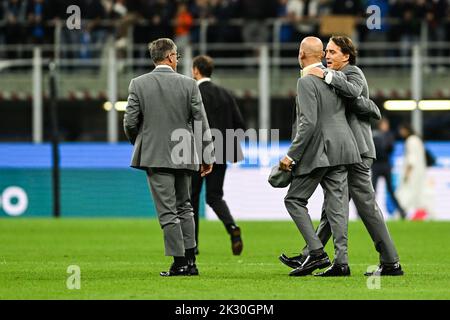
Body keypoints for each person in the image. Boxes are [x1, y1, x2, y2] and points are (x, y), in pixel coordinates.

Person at [281, 35, 404, 276]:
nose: (328, 57)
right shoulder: (329, 77)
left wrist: (326, 76)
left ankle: (390, 261)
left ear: (346, 55)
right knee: (333, 207)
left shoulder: (352, 72)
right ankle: (312, 254)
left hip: (357, 150)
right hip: (343, 151)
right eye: (326, 52)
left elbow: (359, 98)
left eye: (333, 52)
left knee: (365, 206)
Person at [124, 38, 215, 277]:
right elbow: (200, 122)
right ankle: (191, 261)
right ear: (171, 57)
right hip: (184, 152)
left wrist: (143, 141)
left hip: (155, 155)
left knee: (167, 211)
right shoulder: (189, 85)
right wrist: (206, 154)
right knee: (185, 207)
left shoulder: (138, 84)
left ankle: (179, 263)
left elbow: (130, 122)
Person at [279, 36, 361, 277]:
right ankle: (342, 262)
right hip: (343, 149)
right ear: (322, 55)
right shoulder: (336, 77)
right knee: (337, 208)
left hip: (318, 152)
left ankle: (316, 253)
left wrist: (291, 156)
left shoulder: (305, 82)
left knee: (294, 200)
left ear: (301, 55)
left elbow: (309, 123)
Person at [191, 55, 246, 256]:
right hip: (222, 152)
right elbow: (240, 124)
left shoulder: (192, 92)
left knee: (191, 198)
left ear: (196, 70)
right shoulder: (225, 94)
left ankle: (192, 244)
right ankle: (232, 228)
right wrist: (228, 148)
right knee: (215, 197)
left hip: (197, 154)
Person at [372, 118, 407, 219]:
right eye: (384, 124)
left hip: (386, 165)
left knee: (391, 190)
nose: (385, 126)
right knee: (373, 190)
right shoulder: (375, 135)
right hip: (376, 165)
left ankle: (401, 211)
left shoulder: (389, 135)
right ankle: (367, 213)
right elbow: (375, 150)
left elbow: (390, 148)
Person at [396, 123, 429, 220]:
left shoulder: (410, 141)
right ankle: (420, 215)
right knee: (418, 194)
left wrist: (407, 173)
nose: (400, 133)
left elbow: (411, 159)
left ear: (406, 130)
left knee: (405, 194)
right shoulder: (418, 139)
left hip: (412, 173)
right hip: (420, 173)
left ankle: (402, 214)